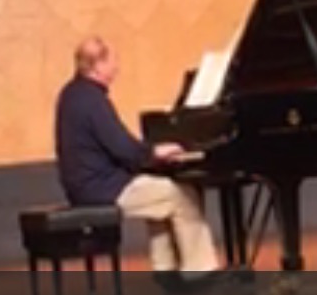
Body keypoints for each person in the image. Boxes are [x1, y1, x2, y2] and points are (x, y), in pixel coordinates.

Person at [54, 36, 226, 292]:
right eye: (112, 61)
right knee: (181, 194)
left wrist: (147, 156)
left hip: (88, 185)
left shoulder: (73, 94)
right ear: (97, 65)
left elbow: (117, 147)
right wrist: (154, 152)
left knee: (158, 198)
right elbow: (121, 147)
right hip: (102, 188)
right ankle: (201, 274)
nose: (116, 67)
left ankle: (166, 271)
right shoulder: (92, 100)